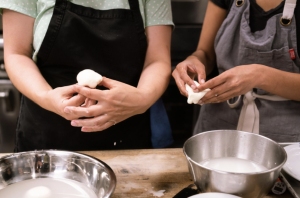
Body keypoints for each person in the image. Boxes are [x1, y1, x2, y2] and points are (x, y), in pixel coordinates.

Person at [1, 0, 174, 152]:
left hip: (126, 138)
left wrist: (143, 98)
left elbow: (157, 59)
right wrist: (46, 96)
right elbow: (17, 53)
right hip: (47, 142)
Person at [172, 0, 300, 142]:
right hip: (218, 130)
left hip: (286, 139)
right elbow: (206, 54)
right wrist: (194, 60)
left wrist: (259, 76)